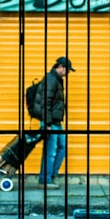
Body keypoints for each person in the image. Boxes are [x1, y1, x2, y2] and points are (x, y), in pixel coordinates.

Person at [35, 56, 75, 188]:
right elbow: (45, 103)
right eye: (67, 70)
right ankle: (45, 180)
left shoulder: (57, 80)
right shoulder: (51, 80)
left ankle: (50, 176)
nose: (67, 73)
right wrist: (47, 124)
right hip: (50, 122)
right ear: (60, 67)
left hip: (56, 122)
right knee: (50, 152)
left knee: (62, 147)